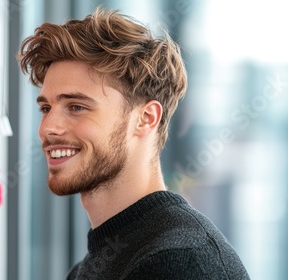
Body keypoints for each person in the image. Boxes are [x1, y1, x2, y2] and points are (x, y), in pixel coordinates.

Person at [17, 7, 250, 280]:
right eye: (46, 108)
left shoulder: (181, 262)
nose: (48, 128)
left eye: (77, 107)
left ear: (146, 118)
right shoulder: (90, 267)